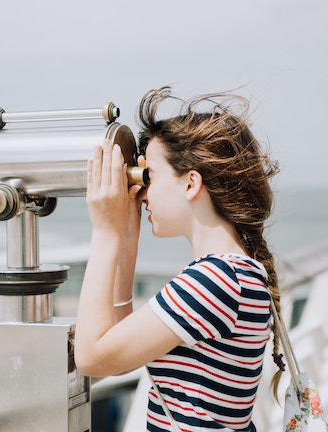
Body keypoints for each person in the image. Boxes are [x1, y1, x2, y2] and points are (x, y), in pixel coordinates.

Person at [75, 86, 283, 432]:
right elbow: (118, 357)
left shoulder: (215, 280)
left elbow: (90, 357)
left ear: (190, 184)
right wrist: (127, 237)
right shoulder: (238, 272)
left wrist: (105, 231)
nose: (142, 192)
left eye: (150, 176)